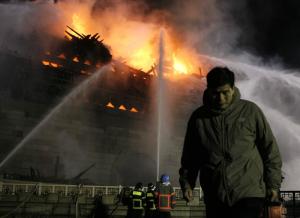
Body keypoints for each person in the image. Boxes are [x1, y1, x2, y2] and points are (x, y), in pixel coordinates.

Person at [179, 67, 282, 218]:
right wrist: (187, 184)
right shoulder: (199, 119)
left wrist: (273, 185)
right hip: (215, 197)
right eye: (216, 93)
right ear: (208, 90)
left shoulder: (251, 112)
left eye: (225, 92)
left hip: (249, 194)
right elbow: (190, 156)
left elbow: (270, 149)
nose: (220, 98)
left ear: (233, 89)